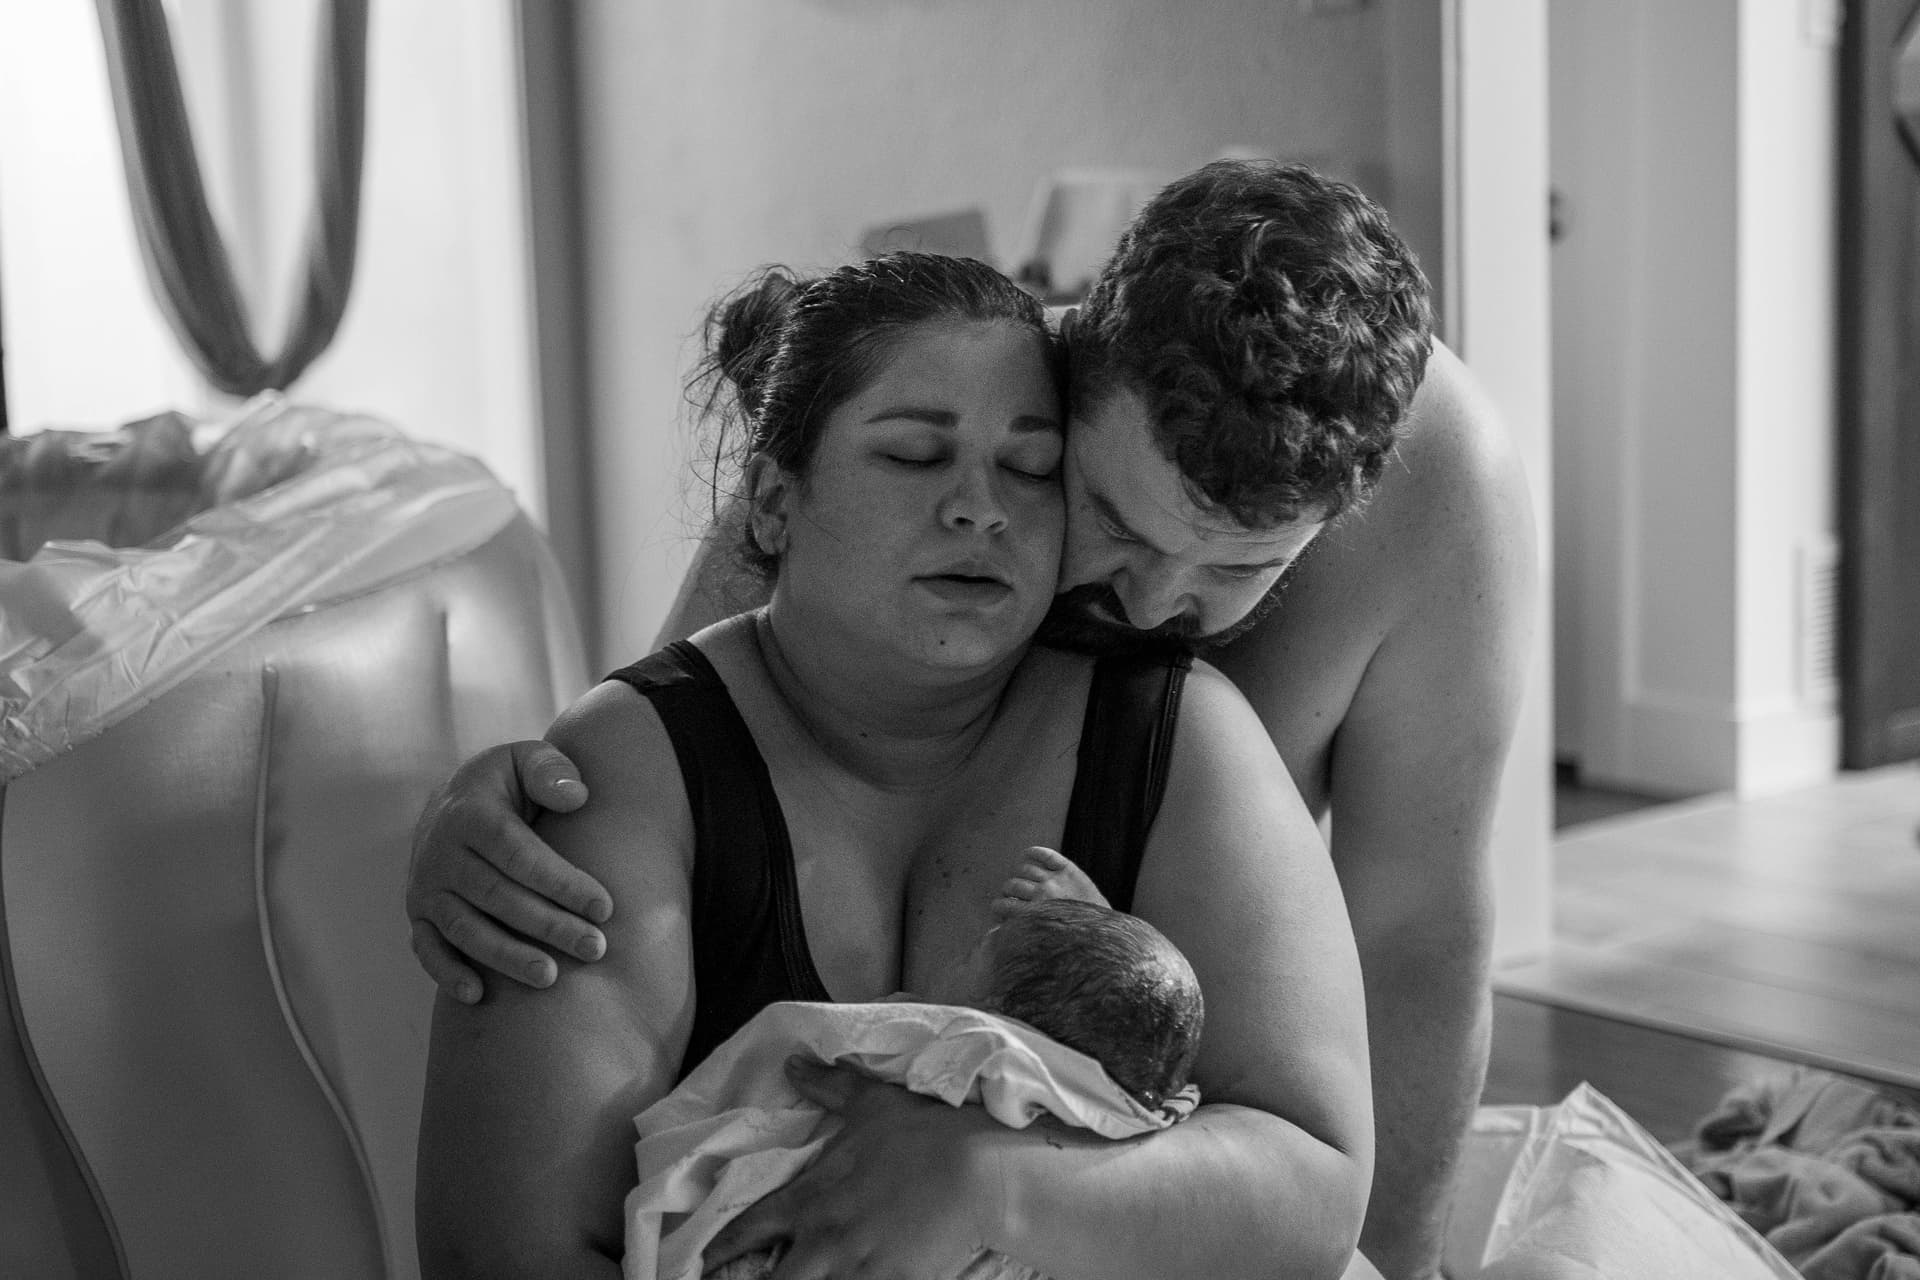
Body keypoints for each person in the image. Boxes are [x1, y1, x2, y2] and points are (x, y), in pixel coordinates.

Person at [408, 161, 1537, 1279]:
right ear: (1075, 367)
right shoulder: (960, 415)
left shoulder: (1438, 505)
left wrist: (1397, 1261)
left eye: (1239, 569)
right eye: (1107, 517)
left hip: (1162, 1140)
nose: (1150, 606)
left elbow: (1416, 935)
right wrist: (494, 802)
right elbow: (680, 727)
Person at [638, 874, 1207, 1280]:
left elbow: (866, 1041)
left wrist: (1095, 929)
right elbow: (1132, 1072)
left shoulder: (971, 1048)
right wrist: (1096, 932)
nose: (952, 962)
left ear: (997, 1014)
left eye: (972, 957)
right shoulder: (1132, 1112)